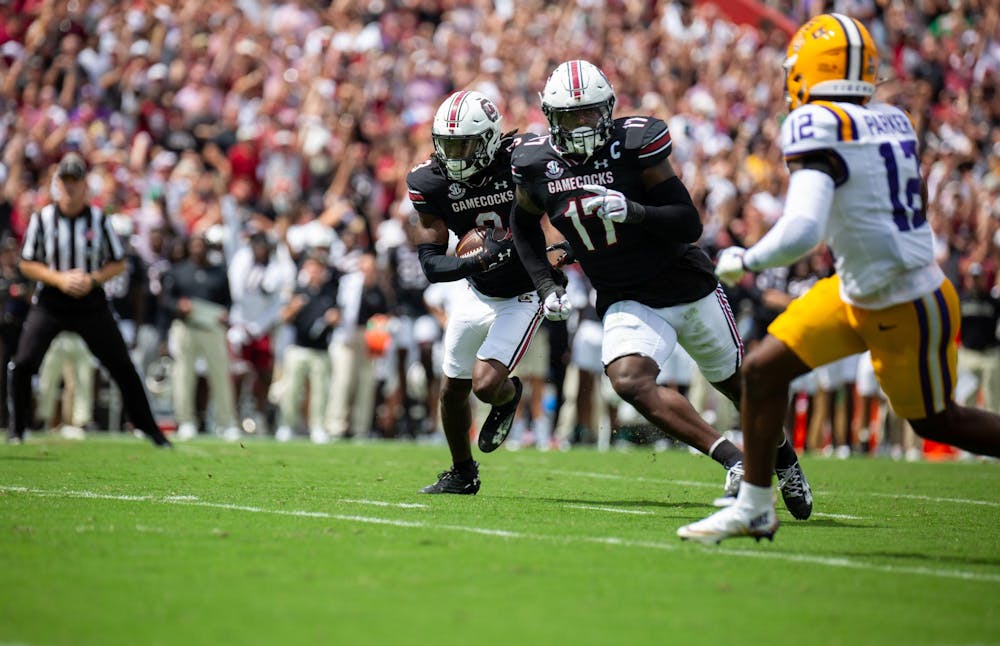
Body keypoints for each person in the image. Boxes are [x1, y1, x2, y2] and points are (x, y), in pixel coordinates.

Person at [677, 14, 1000, 544]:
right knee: (761, 371)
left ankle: (756, 504)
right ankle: (756, 508)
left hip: (904, 301)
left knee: (939, 422)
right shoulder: (891, 116)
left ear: (810, 69)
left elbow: (804, 228)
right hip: (858, 290)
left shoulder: (816, 124)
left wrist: (748, 258)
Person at [510, 60, 810, 513]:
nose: (581, 125)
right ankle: (733, 459)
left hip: (685, 286)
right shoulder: (535, 163)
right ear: (550, 117)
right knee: (628, 379)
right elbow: (523, 224)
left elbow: (688, 223)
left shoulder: (634, 145)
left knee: (740, 388)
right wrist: (545, 283)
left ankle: (784, 456)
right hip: (625, 296)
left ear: (608, 110)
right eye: (570, 116)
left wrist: (635, 211)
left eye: (590, 113)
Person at [408, 89, 558, 494]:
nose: (454, 155)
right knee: (451, 388)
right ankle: (462, 473)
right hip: (477, 291)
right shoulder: (430, 181)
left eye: (465, 144)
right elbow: (431, 265)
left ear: (490, 139)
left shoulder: (521, 161)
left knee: (486, 385)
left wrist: (557, 257)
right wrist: (477, 262)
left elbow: (560, 208)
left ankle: (508, 398)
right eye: (448, 144)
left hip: (524, 293)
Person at [7, 153, 170, 447]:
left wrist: (92, 280)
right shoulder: (43, 219)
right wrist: (60, 279)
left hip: (89, 301)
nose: (69, 187)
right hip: (52, 300)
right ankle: (18, 429)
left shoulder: (98, 218)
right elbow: (26, 263)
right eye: (65, 180)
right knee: (23, 363)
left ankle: (150, 430)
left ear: (84, 185)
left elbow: (118, 263)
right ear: (58, 184)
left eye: (75, 181)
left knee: (122, 365)